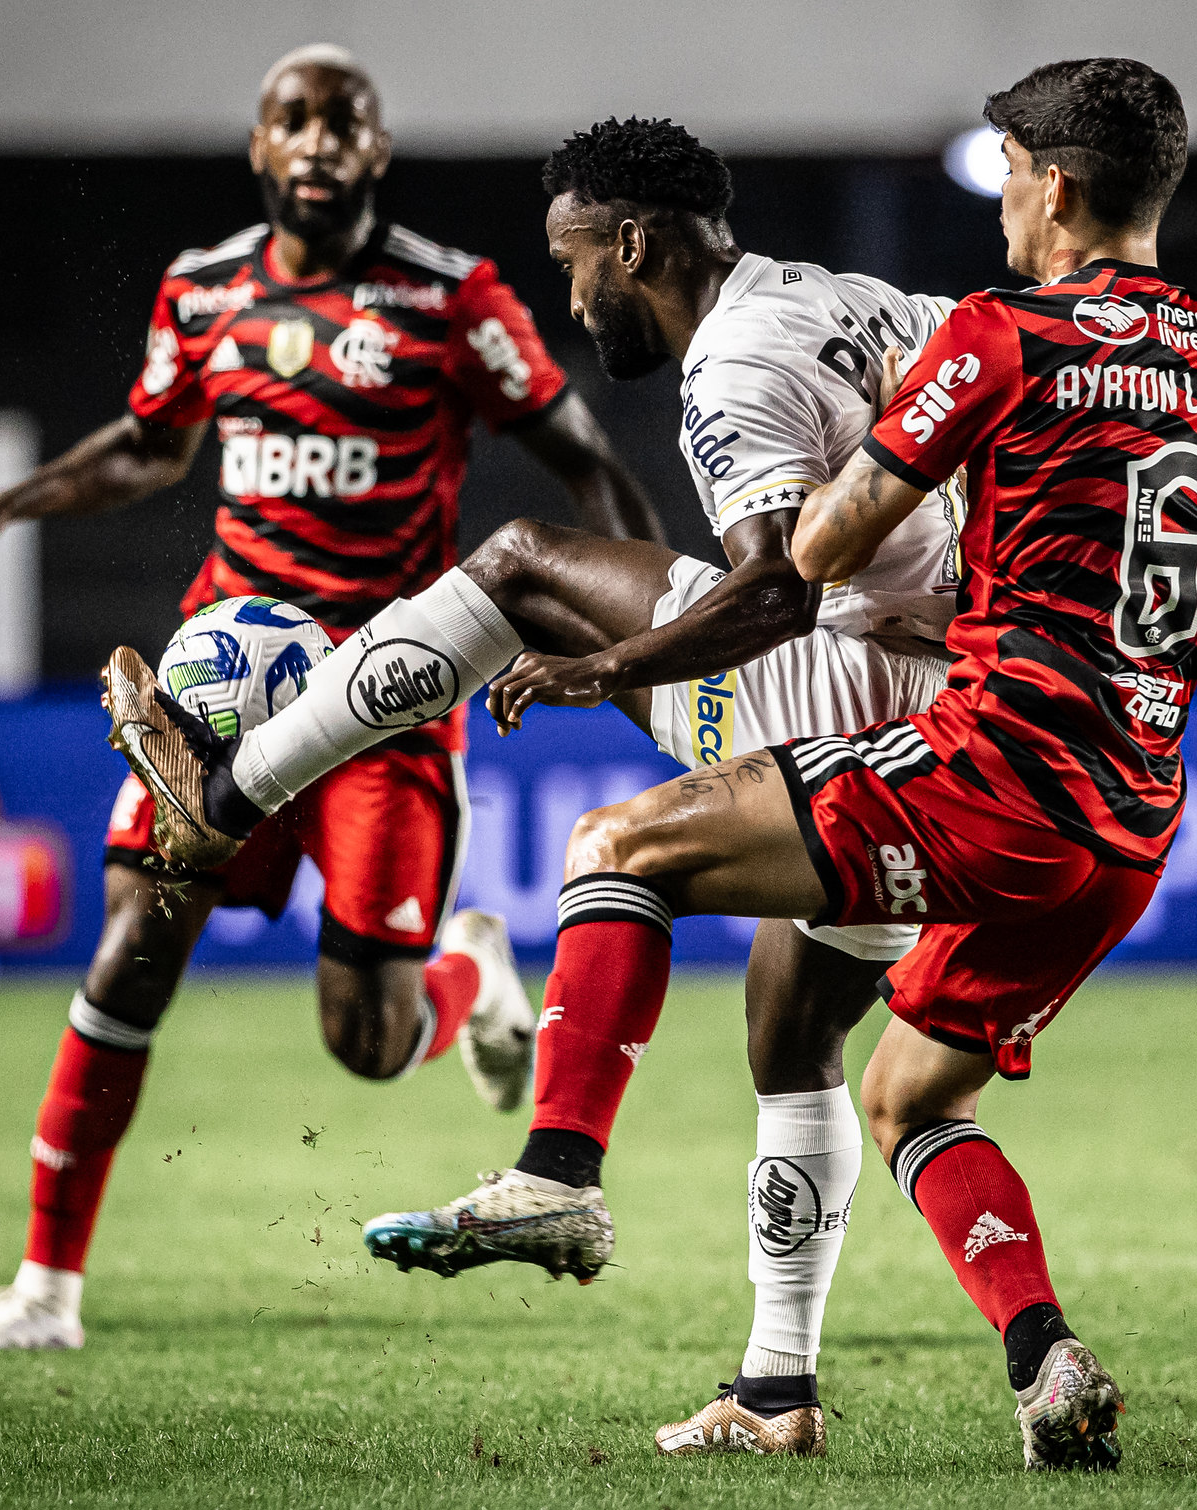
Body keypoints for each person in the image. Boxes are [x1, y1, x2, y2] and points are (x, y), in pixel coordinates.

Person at [348, 57, 1197, 1470]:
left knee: (620, 845)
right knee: (903, 1090)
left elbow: (811, 559)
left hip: (991, 764)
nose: (1008, 202)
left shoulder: (996, 334)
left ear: (1060, 184)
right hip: (1135, 802)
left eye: (1013, 173)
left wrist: (642, 644)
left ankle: (558, 1176)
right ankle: (1029, 1363)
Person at [103, 116, 968, 1455]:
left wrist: (607, 660)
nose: (572, 297)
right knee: (795, 1037)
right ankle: (779, 1392)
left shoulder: (732, 355)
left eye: (576, 265)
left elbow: (773, 591)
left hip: (838, 697)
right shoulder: (864, 301)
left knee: (515, 569)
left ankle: (227, 795)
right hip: (946, 731)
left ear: (634, 241)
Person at [0, 45, 663, 1357]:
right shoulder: (205, 291)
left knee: (367, 1042)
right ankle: (43, 1291)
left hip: (389, 695)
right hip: (220, 694)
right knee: (135, 938)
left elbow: (579, 458)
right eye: (291, 120)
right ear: (256, 148)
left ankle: (465, 979)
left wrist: (656, 631)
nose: (316, 141)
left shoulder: (449, 298)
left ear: (377, 151)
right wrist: (0, 507)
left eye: (342, 122)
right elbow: (147, 442)